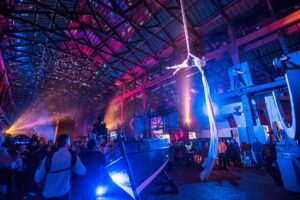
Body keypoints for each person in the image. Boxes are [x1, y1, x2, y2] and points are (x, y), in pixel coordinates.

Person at [35, 134, 86, 199]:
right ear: (67, 144)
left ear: (57, 143)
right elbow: (82, 171)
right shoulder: (73, 157)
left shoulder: (48, 158)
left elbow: (37, 178)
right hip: (63, 194)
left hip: (48, 194)